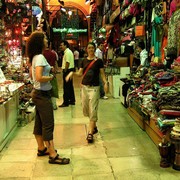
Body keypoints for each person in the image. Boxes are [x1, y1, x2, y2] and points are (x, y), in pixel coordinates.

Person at [26, 31, 70, 165]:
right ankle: (52, 154)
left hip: (37, 93)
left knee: (39, 123)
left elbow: (33, 76)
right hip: (42, 94)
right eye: (45, 38)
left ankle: (41, 148)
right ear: (40, 41)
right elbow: (38, 77)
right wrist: (50, 77)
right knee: (48, 124)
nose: (47, 40)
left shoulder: (35, 57)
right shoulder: (39, 57)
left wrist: (47, 69)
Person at [66, 42, 108, 143]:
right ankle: (94, 126)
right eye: (89, 48)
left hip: (94, 88)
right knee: (86, 110)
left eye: (92, 48)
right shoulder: (83, 61)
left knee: (93, 109)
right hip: (84, 88)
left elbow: (102, 74)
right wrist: (72, 73)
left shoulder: (99, 61)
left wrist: (106, 83)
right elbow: (80, 73)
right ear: (87, 50)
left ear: (94, 49)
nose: (91, 50)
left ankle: (90, 133)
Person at [59, 40, 75, 107]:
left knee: (66, 87)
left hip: (68, 70)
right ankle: (72, 100)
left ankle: (66, 102)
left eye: (61, 45)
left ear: (65, 45)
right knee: (70, 86)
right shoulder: (68, 52)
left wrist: (65, 70)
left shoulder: (67, 52)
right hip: (70, 70)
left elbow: (67, 62)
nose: (60, 47)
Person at [43, 43, 59, 110]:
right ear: (50, 45)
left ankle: (47, 106)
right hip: (51, 74)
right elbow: (55, 64)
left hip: (43, 74)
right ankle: (54, 105)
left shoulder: (41, 54)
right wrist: (55, 72)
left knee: (45, 90)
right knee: (53, 90)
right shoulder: (53, 54)